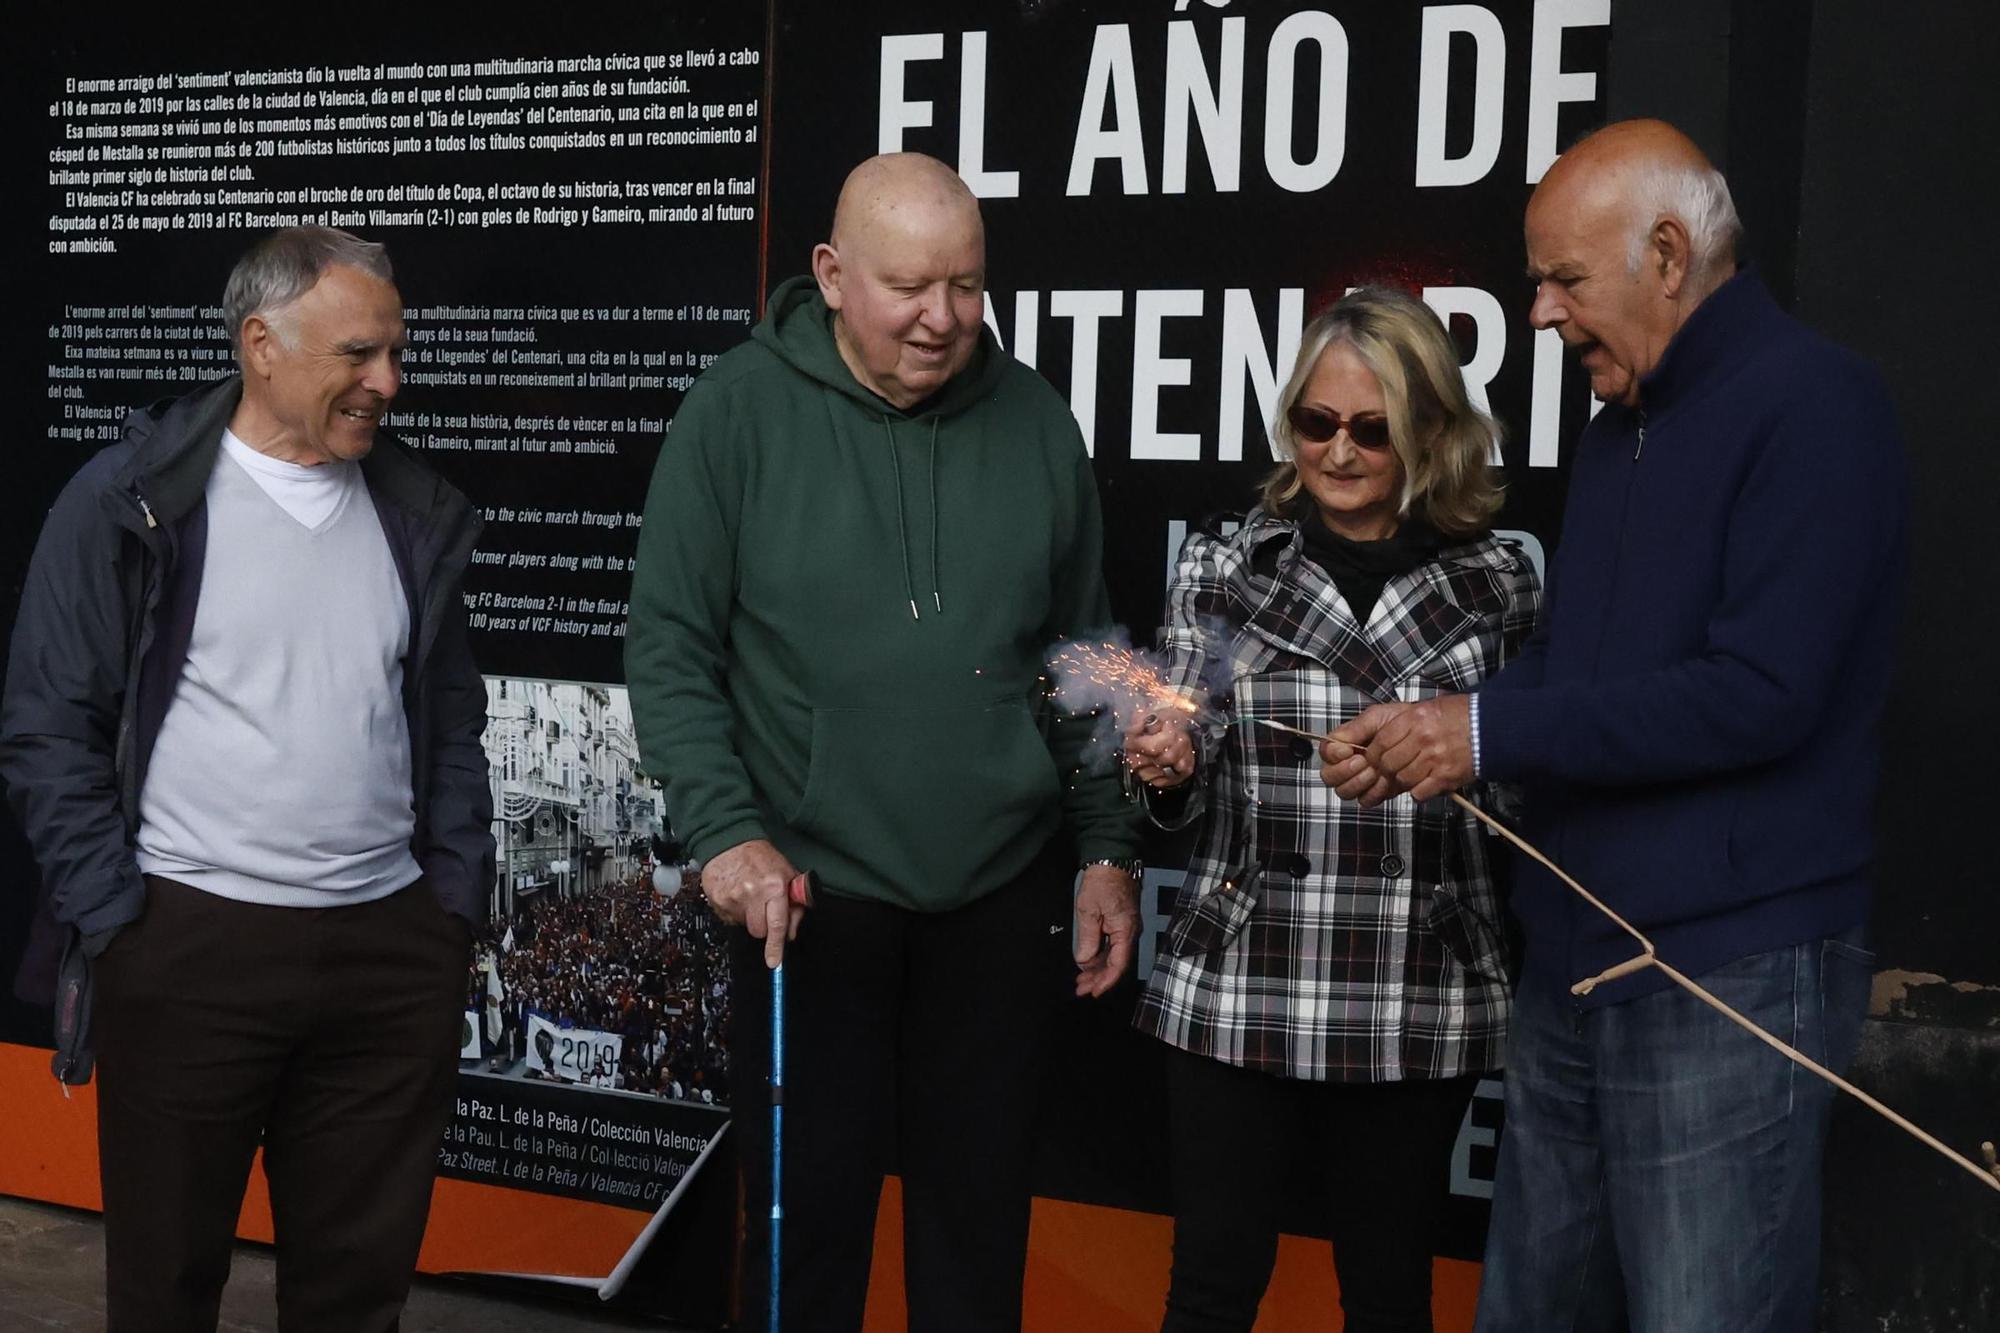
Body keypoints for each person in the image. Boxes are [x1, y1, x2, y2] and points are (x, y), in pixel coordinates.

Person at [1319, 121, 1907, 1331]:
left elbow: (1759, 692)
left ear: (1667, 252)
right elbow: (1580, 669)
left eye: (1561, 280)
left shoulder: (1815, 405)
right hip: (1577, 961)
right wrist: (1432, 725)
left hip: (1722, 976)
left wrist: (1478, 737)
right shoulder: (1614, 428)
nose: (1537, 314)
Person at [624, 152, 1143, 1332]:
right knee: (803, 1234)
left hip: (1000, 892)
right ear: (830, 273)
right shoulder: (735, 412)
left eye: (965, 286)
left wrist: (1106, 844)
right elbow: (667, 645)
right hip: (807, 893)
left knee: (977, 1232)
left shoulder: (1036, 421)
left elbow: (1085, 654)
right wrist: (727, 835)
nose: (942, 318)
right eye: (910, 286)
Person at [0, 227, 492, 1332]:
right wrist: (117, 918)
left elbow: (451, 714)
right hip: (188, 949)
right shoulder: (127, 502)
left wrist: (448, 903)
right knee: (167, 1285)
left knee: (355, 1293)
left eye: (395, 354)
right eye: (360, 355)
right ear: (261, 344)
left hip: (386, 954)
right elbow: (48, 726)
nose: (387, 383)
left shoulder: (412, 512)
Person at [1122, 287, 1540, 1333]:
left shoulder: (1501, 580)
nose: (1339, 452)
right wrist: (1165, 765)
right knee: (1210, 1290)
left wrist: (1453, 756)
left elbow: (1534, 782)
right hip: (1243, 970)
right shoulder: (1223, 563)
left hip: (1418, 976)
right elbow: (1179, 743)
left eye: (1371, 428)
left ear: (1429, 434)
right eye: (1315, 423)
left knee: (1389, 1293)